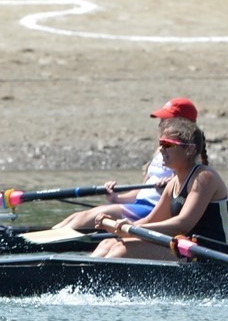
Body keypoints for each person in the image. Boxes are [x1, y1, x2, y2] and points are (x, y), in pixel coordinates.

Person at [90, 119, 228, 259]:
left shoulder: (204, 177)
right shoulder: (173, 183)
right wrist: (119, 227)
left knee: (122, 250)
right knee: (107, 243)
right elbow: (151, 220)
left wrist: (132, 229)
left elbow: (182, 225)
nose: (161, 149)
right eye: (160, 143)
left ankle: (94, 278)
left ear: (189, 150)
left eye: (167, 144)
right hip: (185, 249)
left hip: (211, 257)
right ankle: (83, 274)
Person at [59, 96, 195, 233]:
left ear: (183, 125)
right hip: (139, 206)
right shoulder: (161, 151)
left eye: (166, 120)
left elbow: (186, 192)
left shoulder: (187, 155)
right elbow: (141, 192)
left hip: (155, 211)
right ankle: (43, 239)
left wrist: (170, 188)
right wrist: (116, 198)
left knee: (85, 218)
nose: (160, 124)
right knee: (75, 217)